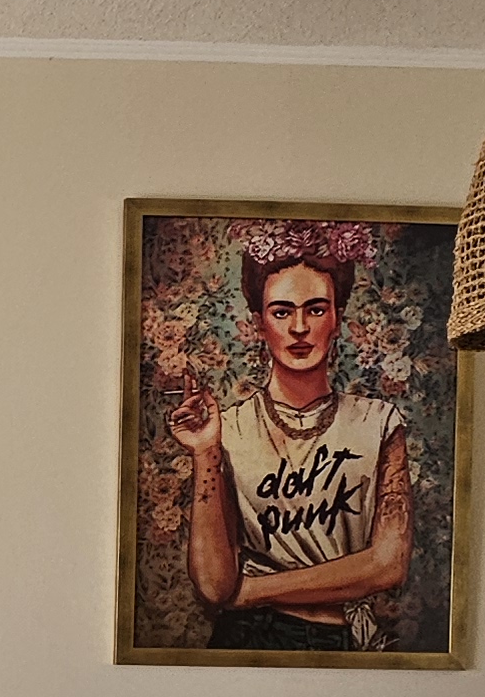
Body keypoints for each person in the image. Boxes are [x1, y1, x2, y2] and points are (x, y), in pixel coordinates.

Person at [168, 245, 415, 652]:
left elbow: (388, 564)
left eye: (316, 309)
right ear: (259, 324)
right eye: (282, 312)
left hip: (340, 639)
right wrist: (205, 450)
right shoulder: (228, 429)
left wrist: (252, 590)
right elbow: (213, 585)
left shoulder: (378, 423)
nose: (299, 327)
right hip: (248, 637)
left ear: (337, 319)